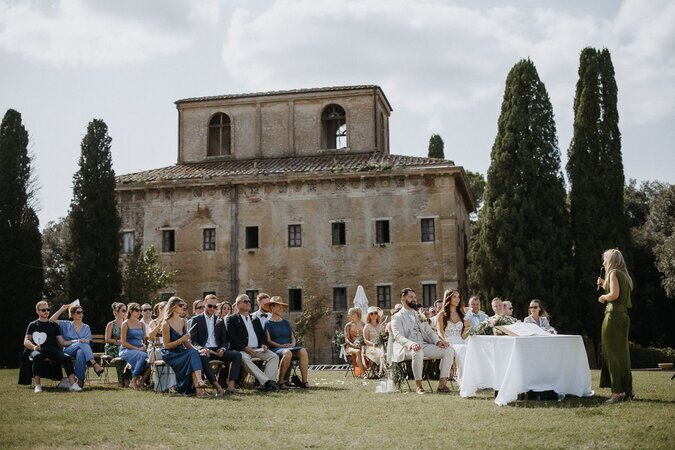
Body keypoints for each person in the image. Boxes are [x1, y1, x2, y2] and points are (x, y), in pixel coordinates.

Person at [391, 288, 454, 394]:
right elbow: (398, 336)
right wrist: (411, 344)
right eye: (410, 297)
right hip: (406, 348)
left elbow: (429, 331)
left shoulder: (418, 315)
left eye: (414, 297)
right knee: (418, 351)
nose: (414, 299)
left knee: (449, 350)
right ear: (403, 298)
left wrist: (438, 342)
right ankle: (419, 386)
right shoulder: (397, 317)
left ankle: (442, 385)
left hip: (423, 344)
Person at [597, 248, 634, 403]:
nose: (604, 262)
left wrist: (603, 296)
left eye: (605, 259)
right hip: (623, 316)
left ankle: (616, 392)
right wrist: (604, 283)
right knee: (622, 354)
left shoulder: (613, 273)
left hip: (612, 316)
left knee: (611, 352)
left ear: (611, 260)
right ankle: (627, 390)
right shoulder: (624, 275)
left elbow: (614, 295)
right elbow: (619, 292)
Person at [23, 301, 82, 392]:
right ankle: (38, 386)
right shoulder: (33, 324)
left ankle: (73, 384)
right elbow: (26, 341)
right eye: (43, 310)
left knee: (66, 358)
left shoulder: (53, 325)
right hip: (38, 350)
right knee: (37, 357)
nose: (46, 311)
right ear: (37, 311)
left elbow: (62, 342)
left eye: (47, 309)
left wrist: (76, 341)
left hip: (53, 350)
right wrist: (34, 347)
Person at [225, 294, 280, 391]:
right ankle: (267, 382)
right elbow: (231, 337)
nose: (248, 303)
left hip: (257, 349)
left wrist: (263, 344)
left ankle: (267, 383)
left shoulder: (255, 319)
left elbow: (262, 335)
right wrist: (244, 347)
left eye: (249, 301)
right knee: (245, 359)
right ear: (238, 305)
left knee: (274, 356)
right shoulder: (232, 319)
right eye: (245, 301)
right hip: (242, 350)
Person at [189, 294, 241, 395]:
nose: (212, 308)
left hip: (217, 350)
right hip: (205, 351)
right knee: (203, 356)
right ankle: (218, 387)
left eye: (215, 306)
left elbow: (224, 340)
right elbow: (193, 341)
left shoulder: (219, 320)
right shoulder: (196, 320)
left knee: (237, 355)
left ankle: (231, 386)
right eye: (210, 306)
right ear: (204, 304)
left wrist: (222, 348)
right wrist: (202, 348)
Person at [161, 297, 208, 396]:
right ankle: (199, 384)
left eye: (184, 305)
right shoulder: (166, 324)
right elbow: (167, 346)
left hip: (181, 351)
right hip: (171, 353)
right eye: (180, 305)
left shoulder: (183, 321)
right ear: (173, 307)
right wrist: (181, 339)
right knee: (192, 355)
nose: (183, 307)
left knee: (195, 353)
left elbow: (186, 343)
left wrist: (197, 350)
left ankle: (199, 388)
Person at [49, 303, 104, 387]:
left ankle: (80, 381)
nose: (81, 314)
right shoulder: (66, 324)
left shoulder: (86, 327)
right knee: (82, 342)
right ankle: (94, 364)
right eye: (78, 312)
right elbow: (51, 320)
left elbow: (88, 343)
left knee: (80, 353)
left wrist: (82, 342)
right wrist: (62, 309)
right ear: (72, 315)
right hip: (68, 350)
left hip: (83, 350)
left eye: (82, 312)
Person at [264, 296, 310, 388]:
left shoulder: (286, 322)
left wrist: (293, 344)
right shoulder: (267, 323)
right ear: (272, 307)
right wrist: (281, 345)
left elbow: (292, 337)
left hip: (289, 347)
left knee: (303, 351)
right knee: (287, 353)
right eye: (278, 306)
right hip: (276, 348)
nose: (281, 309)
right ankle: (281, 382)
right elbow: (269, 340)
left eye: (282, 307)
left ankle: (304, 381)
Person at [436, 289, 470, 383]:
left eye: (458, 297)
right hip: (448, 341)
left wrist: (470, 330)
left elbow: (463, 335)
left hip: (461, 340)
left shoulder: (462, 314)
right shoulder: (441, 315)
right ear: (448, 298)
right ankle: (463, 379)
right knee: (463, 349)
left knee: (470, 348)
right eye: (454, 297)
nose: (457, 299)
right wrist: (443, 341)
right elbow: (440, 331)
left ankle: (470, 378)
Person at [120, 302, 150, 389]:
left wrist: (145, 346)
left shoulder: (142, 324)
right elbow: (123, 342)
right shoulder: (125, 324)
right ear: (130, 311)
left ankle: (141, 383)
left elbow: (145, 340)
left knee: (149, 363)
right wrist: (138, 349)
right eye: (137, 310)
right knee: (143, 356)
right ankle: (133, 381)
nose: (139, 312)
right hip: (126, 350)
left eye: (140, 310)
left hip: (139, 350)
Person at [104, 302, 130, 387]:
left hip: (124, 346)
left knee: (130, 356)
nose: (125, 312)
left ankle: (127, 380)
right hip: (112, 348)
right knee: (121, 357)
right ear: (116, 312)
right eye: (123, 310)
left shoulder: (127, 324)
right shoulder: (111, 324)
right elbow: (107, 339)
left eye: (126, 310)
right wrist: (118, 341)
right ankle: (122, 381)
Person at [362, 306, 386, 375]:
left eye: (375, 313)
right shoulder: (367, 326)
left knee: (384, 351)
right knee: (379, 352)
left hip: (380, 345)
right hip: (370, 346)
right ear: (369, 316)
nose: (374, 315)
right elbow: (365, 340)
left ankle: (383, 370)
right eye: (371, 314)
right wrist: (373, 344)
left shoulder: (381, 326)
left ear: (377, 315)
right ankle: (380, 371)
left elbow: (383, 337)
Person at [344, 307, 366, 377]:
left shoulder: (363, 325)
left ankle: (376, 372)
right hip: (350, 347)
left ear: (355, 314)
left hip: (362, 346)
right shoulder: (348, 325)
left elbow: (366, 337)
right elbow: (346, 340)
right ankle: (363, 373)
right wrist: (354, 345)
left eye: (349, 314)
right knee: (358, 351)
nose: (348, 316)